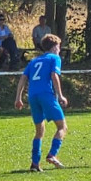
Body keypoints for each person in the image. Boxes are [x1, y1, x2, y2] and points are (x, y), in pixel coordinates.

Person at [14, 34, 68, 171]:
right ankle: (52, 154)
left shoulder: (33, 61)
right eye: (59, 47)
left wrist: (18, 98)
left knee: (39, 131)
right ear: (55, 46)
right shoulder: (54, 58)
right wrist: (60, 95)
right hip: (46, 95)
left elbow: (23, 78)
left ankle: (35, 164)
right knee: (62, 127)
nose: (59, 50)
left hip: (32, 96)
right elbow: (54, 75)